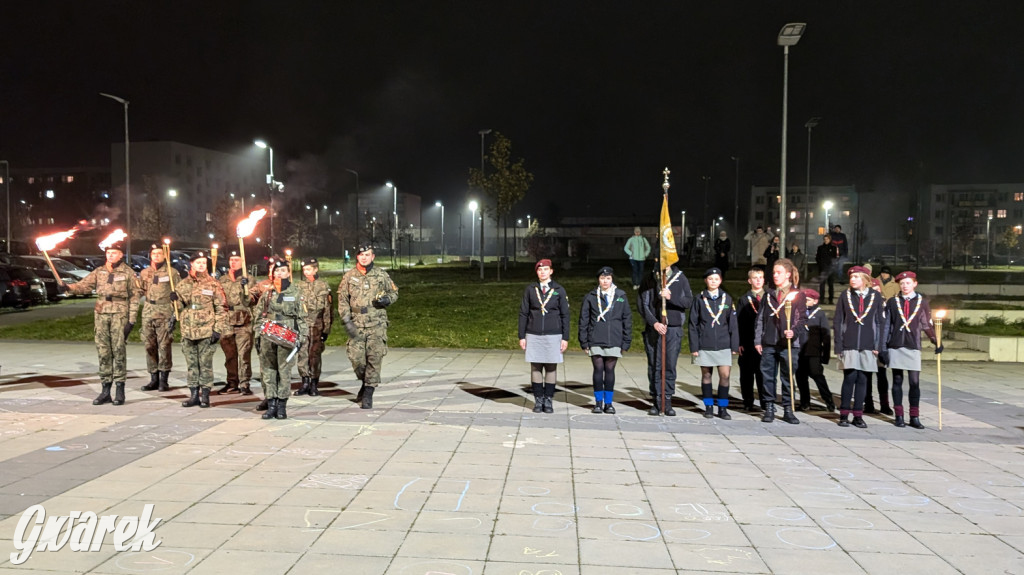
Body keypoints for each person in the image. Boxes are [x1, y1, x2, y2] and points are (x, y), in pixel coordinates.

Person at [61, 238, 142, 406]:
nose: (110, 255)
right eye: (108, 253)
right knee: (103, 351)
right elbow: (84, 286)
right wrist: (68, 288)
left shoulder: (128, 273)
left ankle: (120, 389)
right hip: (101, 314)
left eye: (114, 253)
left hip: (120, 314)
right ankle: (105, 390)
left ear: (120, 255)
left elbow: (135, 297)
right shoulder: (99, 272)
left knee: (118, 351)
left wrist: (132, 320)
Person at [338, 244, 399, 409]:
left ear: (373, 257)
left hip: (376, 321)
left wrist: (387, 300)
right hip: (357, 321)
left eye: (367, 254)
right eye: (361, 255)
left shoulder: (381, 275)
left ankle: (369, 392)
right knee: (357, 359)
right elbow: (342, 299)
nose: (364, 257)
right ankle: (365, 384)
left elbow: (394, 292)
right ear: (357, 257)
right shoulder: (349, 276)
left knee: (374, 357)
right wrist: (346, 320)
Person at [883, 271, 942, 429]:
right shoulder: (892, 302)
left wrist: (935, 340)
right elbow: (887, 325)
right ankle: (899, 415)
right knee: (897, 380)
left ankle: (914, 416)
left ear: (915, 284)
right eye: (902, 283)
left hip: (913, 345)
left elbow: (925, 323)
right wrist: (883, 347)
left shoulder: (922, 302)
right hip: (895, 345)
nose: (904, 286)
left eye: (908, 283)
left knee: (914, 382)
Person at [173, 252, 228, 409]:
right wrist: (174, 301)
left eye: (204, 262)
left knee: (205, 364)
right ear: (192, 264)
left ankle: (205, 395)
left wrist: (217, 329)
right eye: (198, 262)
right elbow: (179, 309)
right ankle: (193, 395)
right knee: (191, 364)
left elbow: (221, 307)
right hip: (188, 330)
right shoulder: (183, 284)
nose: (201, 265)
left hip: (206, 329)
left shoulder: (213, 284)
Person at [833, 265, 885, 428]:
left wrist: (878, 344)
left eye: (856, 277)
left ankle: (858, 415)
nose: (852, 279)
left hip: (868, 345)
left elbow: (879, 322)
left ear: (865, 279)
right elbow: (838, 321)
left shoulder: (875, 296)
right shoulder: (845, 295)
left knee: (863, 379)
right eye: (851, 277)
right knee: (850, 378)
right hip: (849, 343)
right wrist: (838, 345)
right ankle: (844, 414)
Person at [254, 259, 307, 419]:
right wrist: (258, 333)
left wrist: (302, 337)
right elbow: (258, 315)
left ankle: (282, 405)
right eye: (277, 271)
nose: (280, 273)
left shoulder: (296, 293)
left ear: (288, 273)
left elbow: (303, 317)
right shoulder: (268, 293)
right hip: (268, 335)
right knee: (268, 371)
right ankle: (271, 404)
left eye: (283, 271)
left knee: (283, 371)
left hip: (287, 335)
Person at [638, 261, 693, 415]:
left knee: (669, 364)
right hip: (655, 329)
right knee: (655, 365)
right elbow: (643, 304)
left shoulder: (680, 278)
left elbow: (688, 301)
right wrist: (654, 323)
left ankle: (667, 400)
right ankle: (656, 400)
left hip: (673, 328)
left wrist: (671, 297)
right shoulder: (650, 279)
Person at [754, 258, 805, 424]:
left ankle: (788, 408)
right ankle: (769, 406)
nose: (775, 275)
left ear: (788, 275)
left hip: (788, 343)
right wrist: (758, 340)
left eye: (779, 273)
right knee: (768, 376)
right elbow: (760, 318)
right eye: (774, 272)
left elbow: (802, 319)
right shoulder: (769, 294)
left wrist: (794, 332)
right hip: (769, 341)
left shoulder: (797, 295)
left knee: (787, 376)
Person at [519, 259, 570, 413]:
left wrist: (565, 337)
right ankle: (538, 400)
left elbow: (565, 315)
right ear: (537, 272)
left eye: (546, 269)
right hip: (533, 333)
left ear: (551, 271)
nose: (543, 272)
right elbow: (523, 313)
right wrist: (522, 336)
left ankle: (548, 400)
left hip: (553, 334)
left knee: (551, 367)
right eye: (540, 270)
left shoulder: (559, 290)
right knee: (535, 367)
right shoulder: (530, 289)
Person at [578, 266, 631, 414]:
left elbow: (627, 319)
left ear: (612, 279)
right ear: (598, 280)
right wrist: (584, 341)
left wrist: (626, 341)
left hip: (614, 338)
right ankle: (598, 402)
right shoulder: (591, 296)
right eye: (602, 278)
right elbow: (584, 320)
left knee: (609, 370)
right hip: (595, 338)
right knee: (598, 369)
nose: (605, 281)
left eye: (608, 278)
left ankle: (609, 403)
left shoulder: (621, 295)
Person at [688, 267, 739, 419]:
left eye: (716, 279)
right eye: (710, 279)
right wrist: (694, 346)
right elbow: (693, 324)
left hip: (724, 343)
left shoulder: (727, 298)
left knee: (725, 375)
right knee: (706, 375)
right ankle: (709, 406)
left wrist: (734, 345)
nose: (713, 281)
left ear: (720, 281)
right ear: (706, 281)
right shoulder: (699, 298)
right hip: (705, 343)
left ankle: (723, 408)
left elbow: (733, 324)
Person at [215, 250, 255, 396]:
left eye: (236, 259)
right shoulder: (223, 280)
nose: (233, 262)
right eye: (231, 259)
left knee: (244, 354)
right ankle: (232, 382)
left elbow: (252, 299)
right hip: (226, 319)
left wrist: (246, 288)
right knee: (229, 355)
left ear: (242, 262)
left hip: (243, 318)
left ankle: (245, 383)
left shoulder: (249, 279)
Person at [138, 244, 176, 393]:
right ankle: (153, 377)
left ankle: (164, 380)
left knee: (164, 345)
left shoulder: (171, 273)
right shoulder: (144, 272)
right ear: (150, 255)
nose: (157, 256)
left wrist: (176, 309)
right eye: (154, 253)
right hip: (148, 311)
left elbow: (178, 292)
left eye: (160, 253)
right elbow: (140, 290)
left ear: (165, 255)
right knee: (149, 345)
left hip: (164, 310)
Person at [295, 257, 333, 396]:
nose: (306, 272)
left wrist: (326, 329)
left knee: (315, 355)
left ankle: (314, 383)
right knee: (302, 354)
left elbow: (327, 310)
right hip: (303, 325)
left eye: (309, 269)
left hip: (317, 325)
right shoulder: (299, 286)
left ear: (316, 269)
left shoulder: (323, 286)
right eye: (304, 269)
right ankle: (304, 381)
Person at [795, 288, 835, 411]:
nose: (805, 302)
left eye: (807, 300)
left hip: (814, 352)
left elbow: (826, 335)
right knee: (801, 378)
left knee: (817, 376)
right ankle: (805, 402)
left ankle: (828, 399)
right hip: (800, 351)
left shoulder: (819, 314)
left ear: (815, 301)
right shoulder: (797, 313)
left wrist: (825, 355)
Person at [736, 267, 766, 412]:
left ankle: (765, 401)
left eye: (761, 277)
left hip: (765, 342)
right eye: (755, 277)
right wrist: (739, 342)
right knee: (747, 374)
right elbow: (740, 322)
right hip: (748, 342)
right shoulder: (744, 299)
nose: (758, 280)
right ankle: (748, 401)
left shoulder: (769, 297)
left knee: (763, 374)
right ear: (749, 281)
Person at [815, 235, 840, 304]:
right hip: (822, 269)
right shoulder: (820, 248)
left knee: (830, 285)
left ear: (830, 239)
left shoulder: (834, 248)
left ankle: (830, 299)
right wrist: (821, 265)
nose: (826, 240)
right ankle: (822, 299)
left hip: (830, 270)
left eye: (827, 239)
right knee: (822, 285)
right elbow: (817, 258)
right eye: (825, 239)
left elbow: (835, 258)